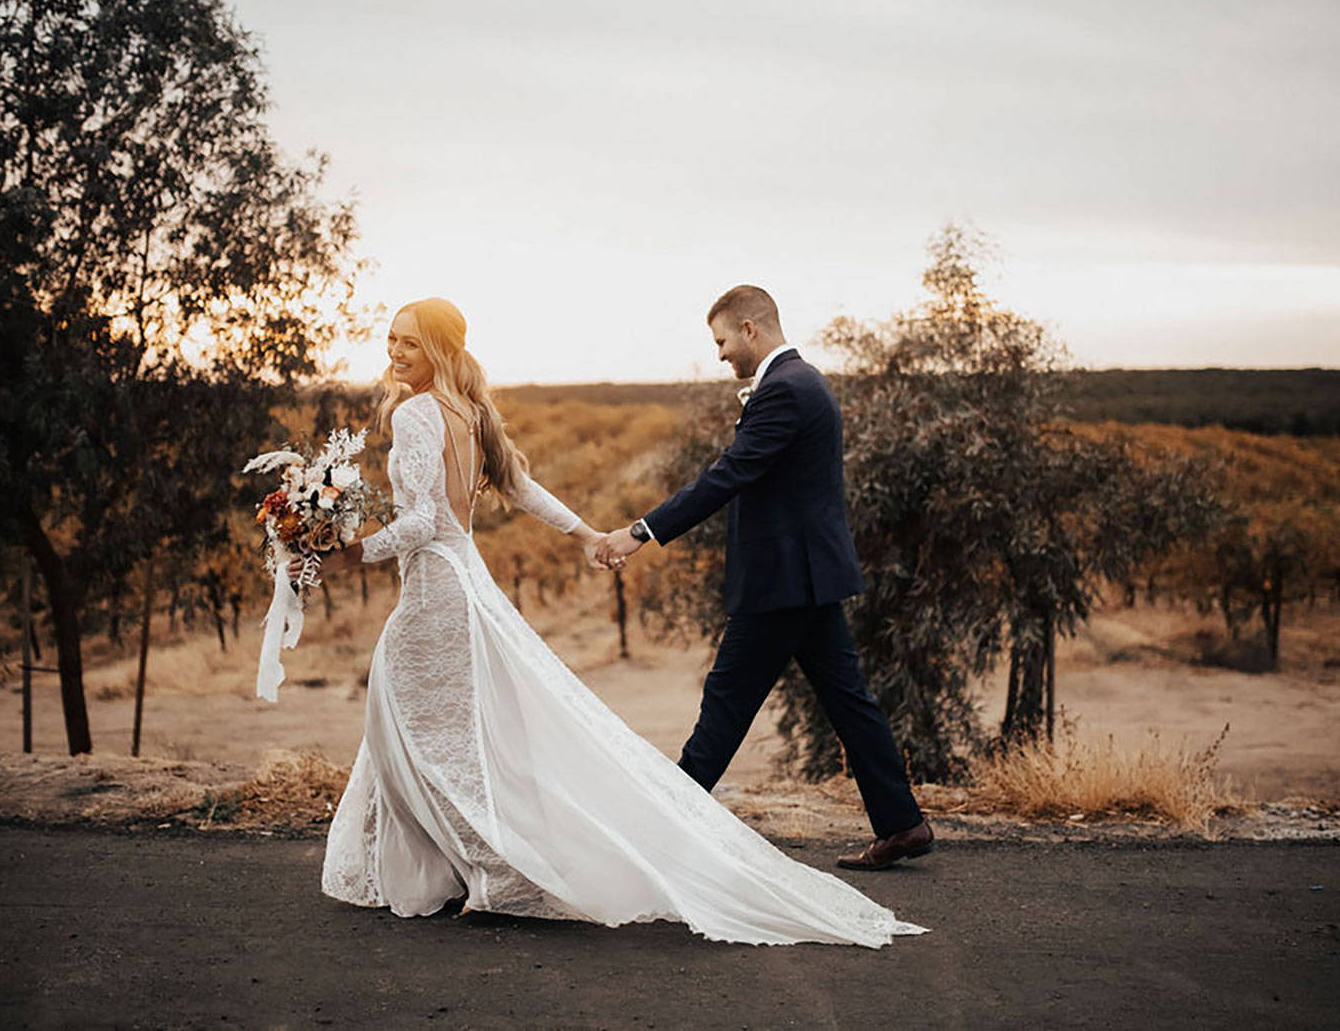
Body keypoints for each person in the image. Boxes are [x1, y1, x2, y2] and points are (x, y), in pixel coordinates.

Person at [289, 297, 924, 947]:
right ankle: (898, 819)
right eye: (391, 341)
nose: (394, 353)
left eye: (409, 343)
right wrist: (592, 532)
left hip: (456, 593)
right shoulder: (472, 412)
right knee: (448, 728)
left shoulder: (421, 414)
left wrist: (347, 551)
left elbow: (426, 521)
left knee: (443, 730)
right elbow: (521, 488)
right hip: (481, 581)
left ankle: (645, 839)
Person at [595, 285, 934, 871]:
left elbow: (727, 476)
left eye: (722, 340)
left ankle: (662, 828)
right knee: (848, 702)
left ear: (751, 329)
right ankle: (902, 824)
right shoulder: (804, 383)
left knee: (725, 704)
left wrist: (641, 531)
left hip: (781, 581)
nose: (721, 354)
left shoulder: (785, 390)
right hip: (805, 578)